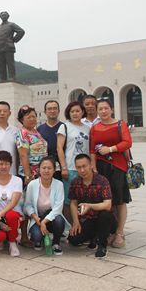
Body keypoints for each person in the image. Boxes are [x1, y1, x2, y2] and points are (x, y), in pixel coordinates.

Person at [89, 98, 132, 248]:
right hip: (101, 168)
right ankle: (108, 231)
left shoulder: (120, 124)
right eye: (100, 109)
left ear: (111, 109)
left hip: (118, 167)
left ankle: (119, 232)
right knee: (106, 201)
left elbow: (127, 142)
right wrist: (93, 166)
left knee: (119, 200)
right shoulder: (95, 128)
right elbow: (92, 149)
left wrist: (110, 149)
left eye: (106, 108)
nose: (103, 111)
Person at [68, 154, 117, 258]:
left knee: (105, 215)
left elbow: (108, 205)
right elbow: (73, 203)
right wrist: (76, 222)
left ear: (91, 165)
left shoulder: (102, 181)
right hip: (89, 220)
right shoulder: (75, 182)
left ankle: (102, 245)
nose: (82, 170)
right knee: (73, 240)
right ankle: (94, 236)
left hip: (104, 219)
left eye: (84, 166)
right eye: (78, 167)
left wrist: (90, 206)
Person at [16, 104, 48, 246]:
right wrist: (28, 176)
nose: (32, 119)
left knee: (36, 203)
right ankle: (24, 236)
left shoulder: (36, 132)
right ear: (22, 120)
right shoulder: (22, 133)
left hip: (41, 173)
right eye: (28, 117)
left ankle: (38, 232)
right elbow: (23, 155)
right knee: (26, 204)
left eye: (34, 116)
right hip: (29, 175)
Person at [24, 156, 66, 255]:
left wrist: (44, 222)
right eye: (44, 168)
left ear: (54, 170)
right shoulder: (32, 184)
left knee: (59, 220)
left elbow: (58, 208)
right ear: (39, 170)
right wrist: (37, 219)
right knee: (36, 237)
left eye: (49, 168)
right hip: (37, 218)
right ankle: (41, 238)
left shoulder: (59, 184)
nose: (46, 170)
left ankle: (56, 243)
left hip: (52, 218)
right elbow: (27, 206)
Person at [57, 101, 90, 222]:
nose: (75, 113)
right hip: (70, 167)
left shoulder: (87, 128)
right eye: (72, 111)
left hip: (85, 168)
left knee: (84, 197)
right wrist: (63, 167)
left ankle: (83, 224)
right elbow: (59, 148)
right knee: (69, 199)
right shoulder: (64, 127)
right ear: (68, 113)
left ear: (82, 112)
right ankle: (69, 225)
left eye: (77, 111)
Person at [0, 150, 23, 257]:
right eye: (1, 164)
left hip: (13, 214)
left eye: (7, 164)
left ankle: (12, 242)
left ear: (11, 165)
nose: (4, 167)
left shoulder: (17, 180)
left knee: (11, 215)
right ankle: (2, 238)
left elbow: (13, 203)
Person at [0, 11, 25, 81]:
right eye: (2, 15)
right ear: (0, 17)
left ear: (8, 16)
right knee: (1, 65)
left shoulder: (11, 25)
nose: (3, 16)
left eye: (5, 15)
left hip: (8, 47)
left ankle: (12, 77)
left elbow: (21, 31)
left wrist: (14, 40)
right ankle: (3, 79)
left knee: (10, 64)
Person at [37, 100, 63, 180]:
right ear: (45, 112)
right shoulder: (39, 129)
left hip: (60, 168)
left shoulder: (63, 127)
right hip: (45, 168)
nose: (52, 111)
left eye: (55, 108)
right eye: (49, 109)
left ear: (58, 111)